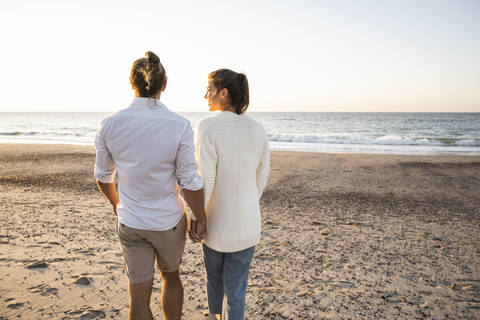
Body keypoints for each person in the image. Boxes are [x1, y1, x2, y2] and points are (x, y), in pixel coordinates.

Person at [94, 51, 206, 320]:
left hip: (132, 222)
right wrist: (199, 217)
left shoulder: (110, 124)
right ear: (163, 85)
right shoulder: (179, 125)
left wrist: (115, 203)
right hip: (168, 221)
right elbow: (189, 180)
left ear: (132, 84)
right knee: (171, 276)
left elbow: (103, 176)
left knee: (139, 292)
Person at [192, 69, 270, 320]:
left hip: (216, 224)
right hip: (247, 223)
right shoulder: (258, 129)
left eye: (210, 90)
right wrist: (246, 204)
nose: (206, 95)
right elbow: (262, 174)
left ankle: (214, 316)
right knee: (236, 290)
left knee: (214, 281)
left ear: (223, 93)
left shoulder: (208, 126)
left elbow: (206, 179)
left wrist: (196, 217)